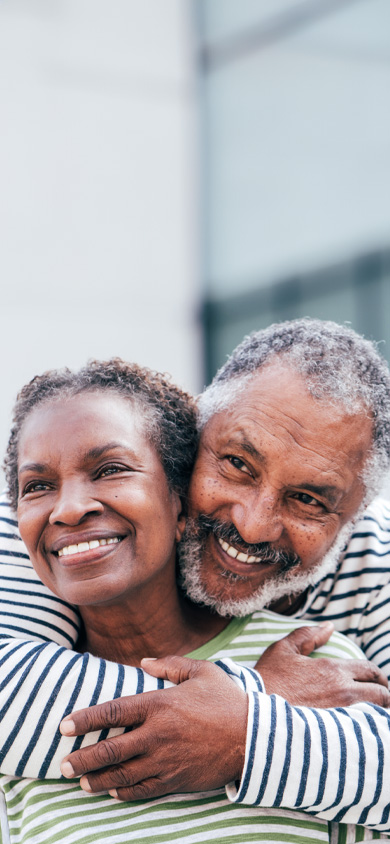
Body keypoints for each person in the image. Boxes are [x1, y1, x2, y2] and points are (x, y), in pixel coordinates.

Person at [1, 321, 390, 839]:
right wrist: (250, 701)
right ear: (194, 435)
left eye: (310, 500)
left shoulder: (366, 580)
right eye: (236, 463)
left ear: (354, 517)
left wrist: (244, 730)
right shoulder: (53, 517)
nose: (253, 524)